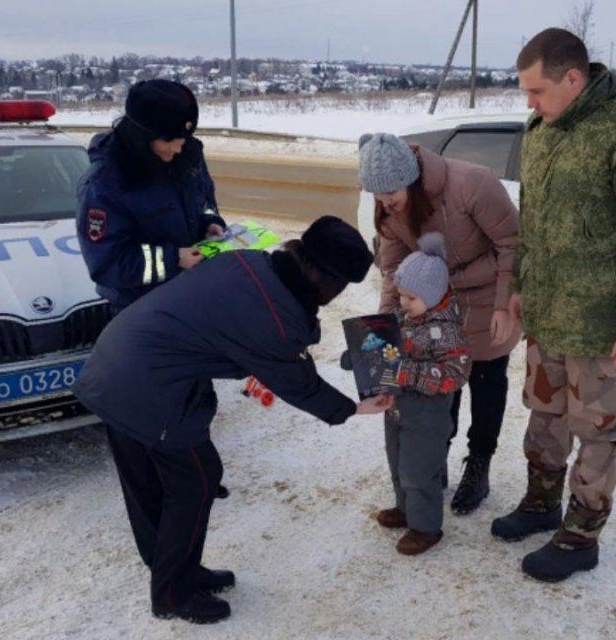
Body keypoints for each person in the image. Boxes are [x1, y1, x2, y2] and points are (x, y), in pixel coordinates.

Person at [72, 216, 393, 624]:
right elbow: (296, 380)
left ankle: (176, 571)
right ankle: (172, 593)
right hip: (145, 384)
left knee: (151, 480)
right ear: (328, 281)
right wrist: (351, 408)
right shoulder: (275, 317)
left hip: (116, 361)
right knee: (197, 478)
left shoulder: (251, 264)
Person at [491, 28, 616, 582]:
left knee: (596, 430)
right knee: (544, 416)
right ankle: (540, 504)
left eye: (536, 91)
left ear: (573, 79)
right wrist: (524, 284)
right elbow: (532, 218)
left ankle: (581, 536)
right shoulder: (542, 131)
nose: (528, 103)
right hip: (550, 316)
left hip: (603, 327)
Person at [360, 132, 521, 516]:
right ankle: (435, 460)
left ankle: (479, 464)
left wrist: (503, 305)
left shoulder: (472, 183)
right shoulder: (391, 208)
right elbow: (393, 268)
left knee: (485, 381)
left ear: (412, 179)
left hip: (485, 297)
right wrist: (384, 325)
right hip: (430, 305)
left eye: (390, 196)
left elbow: (513, 243)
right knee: (438, 386)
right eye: (378, 198)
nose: (385, 205)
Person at [76, 78, 226, 315]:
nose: (177, 149)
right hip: (142, 310)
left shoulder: (188, 156)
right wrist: (173, 259)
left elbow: (205, 202)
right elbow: (109, 264)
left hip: (194, 295)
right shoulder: (106, 182)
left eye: (183, 140)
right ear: (141, 135)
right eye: (168, 140)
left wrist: (210, 223)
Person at [374, 233, 472, 556]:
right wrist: (368, 358)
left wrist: (410, 374)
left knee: (419, 470)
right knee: (398, 462)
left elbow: (455, 374)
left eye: (410, 298)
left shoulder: (446, 329)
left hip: (427, 415)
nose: (403, 303)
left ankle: (425, 526)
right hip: (399, 408)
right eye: (401, 295)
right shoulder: (407, 316)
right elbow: (391, 349)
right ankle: (406, 509)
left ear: (432, 296)